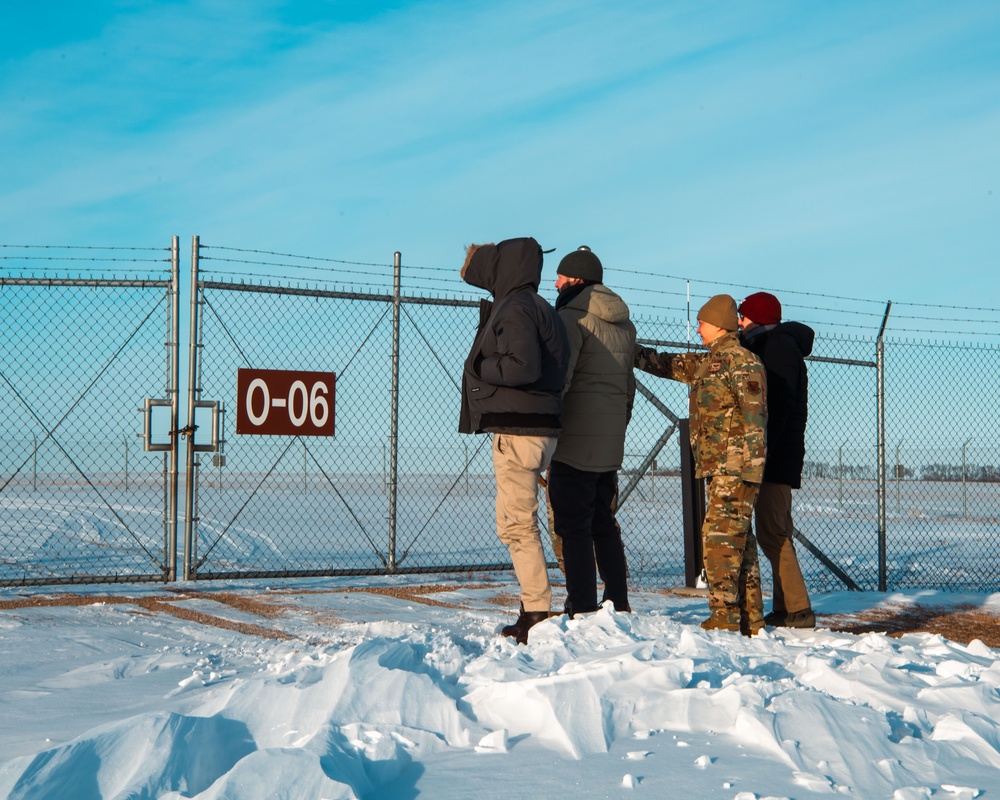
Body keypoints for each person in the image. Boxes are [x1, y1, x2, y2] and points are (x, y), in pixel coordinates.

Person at [634, 295, 767, 635]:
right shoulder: (710, 362)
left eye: (702, 322)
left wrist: (750, 468)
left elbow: (756, 417)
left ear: (719, 323)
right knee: (739, 541)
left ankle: (724, 617)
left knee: (719, 538)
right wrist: (627, 348)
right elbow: (665, 363)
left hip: (736, 467)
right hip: (719, 466)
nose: (697, 328)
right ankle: (751, 618)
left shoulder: (743, 362)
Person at [459, 237, 569, 645]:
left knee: (517, 525)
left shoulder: (517, 308)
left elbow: (523, 367)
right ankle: (536, 605)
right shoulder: (540, 307)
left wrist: (484, 365)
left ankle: (536, 612)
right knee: (518, 523)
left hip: (519, 431)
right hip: (541, 428)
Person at [547, 246, 635, 617]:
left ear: (576, 280)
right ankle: (617, 600)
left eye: (561, 277)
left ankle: (580, 604)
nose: (555, 283)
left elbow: (560, 377)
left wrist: (547, 423)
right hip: (609, 443)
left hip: (574, 443)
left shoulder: (573, 317)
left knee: (572, 526)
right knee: (603, 524)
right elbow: (628, 388)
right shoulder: (624, 325)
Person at [738, 291, 816, 628]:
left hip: (775, 457)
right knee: (777, 531)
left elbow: (780, 407)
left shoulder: (779, 348)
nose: (738, 323)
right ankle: (787, 608)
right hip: (777, 455)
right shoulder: (774, 346)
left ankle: (798, 610)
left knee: (773, 533)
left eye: (742, 317)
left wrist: (762, 449)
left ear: (757, 318)